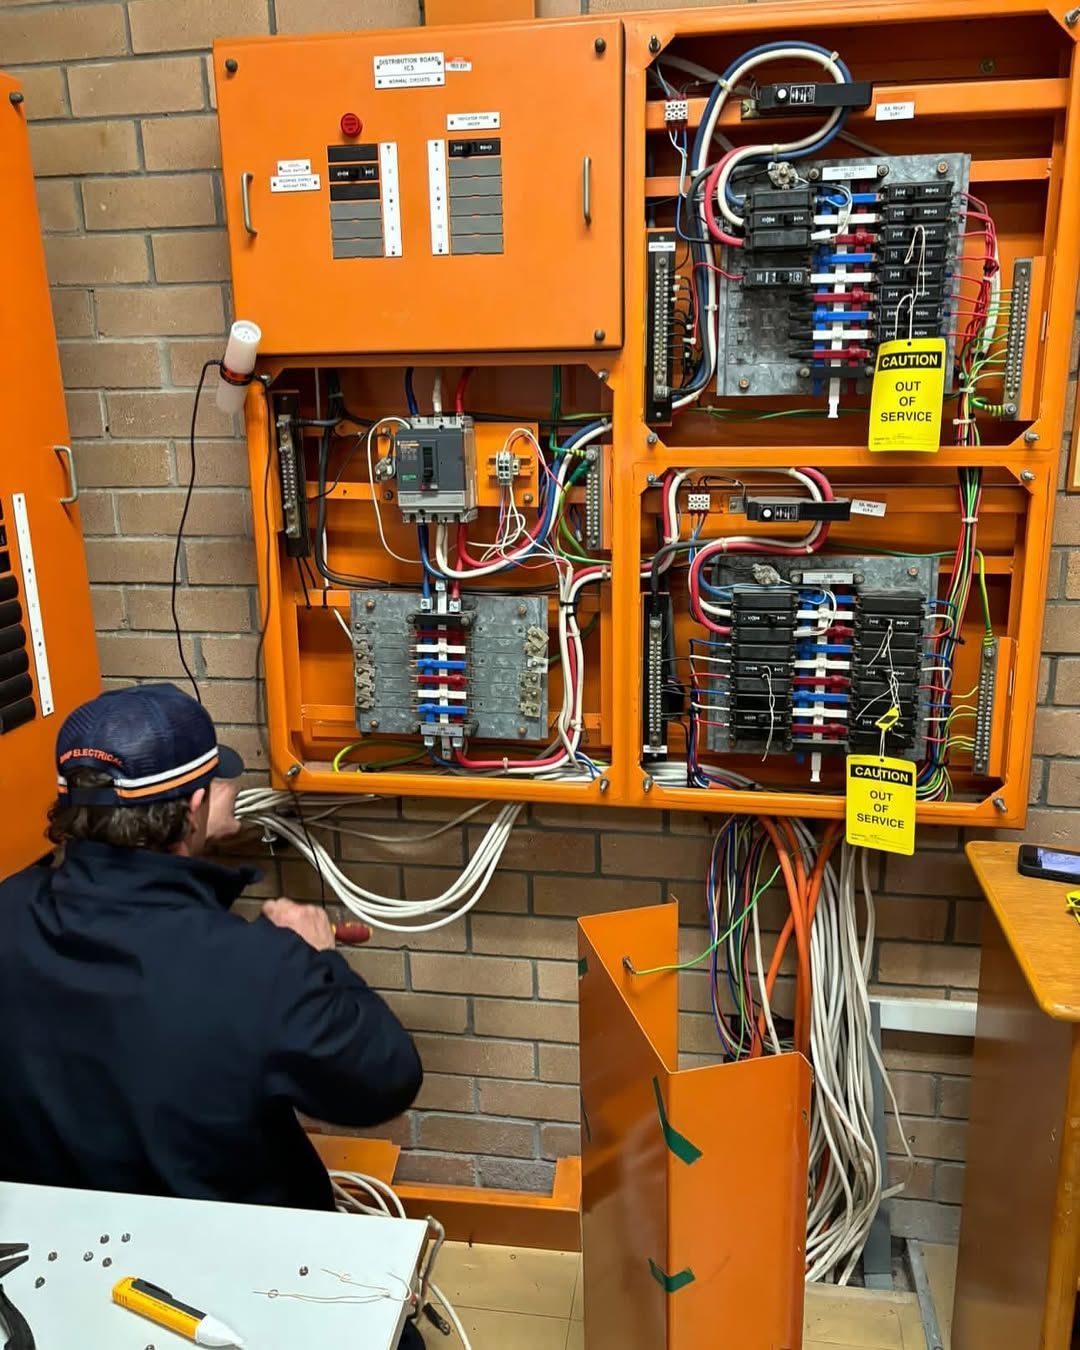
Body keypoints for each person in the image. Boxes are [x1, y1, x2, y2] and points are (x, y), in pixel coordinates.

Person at [0, 683, 423, 1214]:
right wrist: (319, 958)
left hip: (50, 1252)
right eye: (214, 780)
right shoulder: (260, 970)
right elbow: (385, 1080)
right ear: (195, 805)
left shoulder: (8, 912)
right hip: (222, 1269)